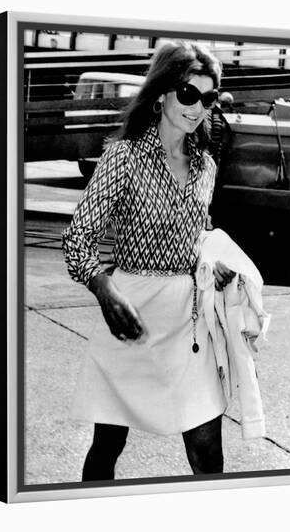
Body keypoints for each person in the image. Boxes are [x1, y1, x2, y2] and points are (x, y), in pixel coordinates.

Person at [62, 40, 236, 481]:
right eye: (189, 94)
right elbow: (77, 238)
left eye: (208, 97)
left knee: (207, 453)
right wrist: (105, 290)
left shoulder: (206, 167)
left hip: (187, 319)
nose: (198, 107)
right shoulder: (123, 158)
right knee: (107, 446)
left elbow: (196, 233)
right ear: (161, 94)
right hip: (129, 310)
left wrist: (210, 263)